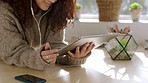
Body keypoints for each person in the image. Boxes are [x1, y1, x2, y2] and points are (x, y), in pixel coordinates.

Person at [0, 0, 95, 70]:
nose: (54, 0)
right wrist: (38, 58)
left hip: (21, 69)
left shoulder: (53, 9)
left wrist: (73, 56)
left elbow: (55, 46)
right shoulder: (4, 10)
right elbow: (13, 52)